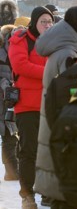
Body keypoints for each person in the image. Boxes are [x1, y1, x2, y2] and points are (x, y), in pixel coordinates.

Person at [34, 5, 77, 209]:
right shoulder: (69, 54)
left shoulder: (65, 50)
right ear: (75, 27)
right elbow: (69, 100)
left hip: (57, 133)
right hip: (65, 137)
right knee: (65, 198)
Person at [9, 6, 54, 209]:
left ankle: (47, 193)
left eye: (50, 21)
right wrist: (50, 72)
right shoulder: (20, 40)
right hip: (27, 106)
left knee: (50, 151)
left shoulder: (55, 42)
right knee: (29, 151)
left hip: (51, 104)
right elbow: (20, 66)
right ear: (34, 22)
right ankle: (27, 195)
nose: (47, 25)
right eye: (43, 21)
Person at [0, 24, 18, 183]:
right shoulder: (2, 54)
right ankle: (11, 171)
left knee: (12, 134)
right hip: (3, 98)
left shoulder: (17, 52)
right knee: (8, 134)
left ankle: (12, 170)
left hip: (14, 98)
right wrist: (6, 84)